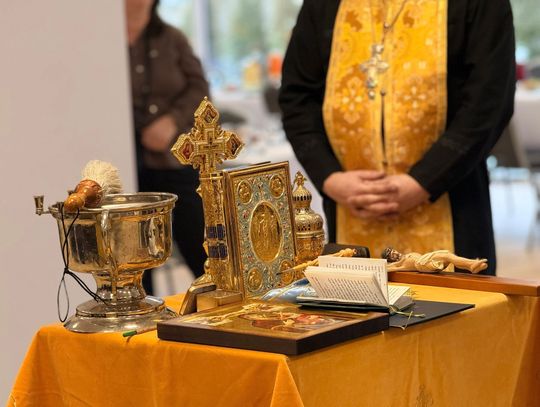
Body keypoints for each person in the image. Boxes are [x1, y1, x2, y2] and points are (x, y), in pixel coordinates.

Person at [279, 0, 516, 275]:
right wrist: (330, 178)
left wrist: (423, 181)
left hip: (452, 201)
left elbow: (489, 100)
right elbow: (297, 99)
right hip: (349, 208)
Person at [126, 0, 208, 294]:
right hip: (127, 168)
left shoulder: (172, 38)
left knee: (202, 250)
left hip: (173, 163)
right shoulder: (101, 41)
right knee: (133, 263)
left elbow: (200, 89)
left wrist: (172, 121)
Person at [382, 247, 488, 274]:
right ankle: (471, 264)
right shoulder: (399, 264)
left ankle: (470, 265)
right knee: (447, 256)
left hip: (426, 260)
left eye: (394, 251)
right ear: (391, 260)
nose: (395, 253)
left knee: (448, 255)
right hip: (422, 264)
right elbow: (389, 268)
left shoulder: (406, 256)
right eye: (392, 255)